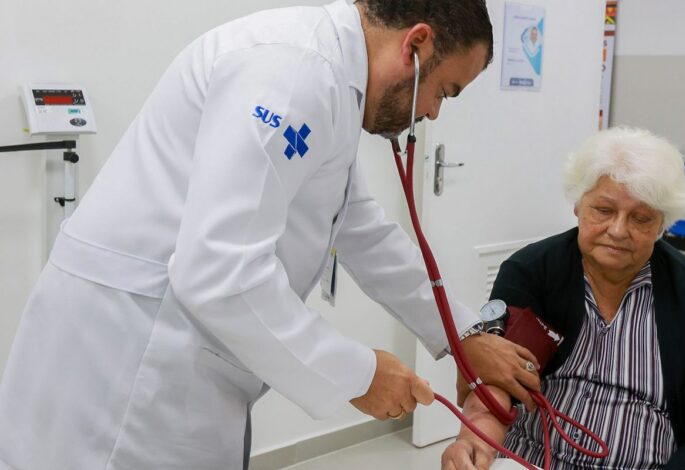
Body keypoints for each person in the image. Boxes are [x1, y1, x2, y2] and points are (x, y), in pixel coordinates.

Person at [0, 1, 543, 469]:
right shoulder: (294, 72)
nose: (431, 114)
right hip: (127, 368)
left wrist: (462, 335)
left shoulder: (329, 82)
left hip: (172, 357)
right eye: (444, 91)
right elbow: (219, 270)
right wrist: (358, 373)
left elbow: (360, 229)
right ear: (416, 44)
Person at [442, 127, 685, 470]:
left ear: (663, 223)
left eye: (641, 218)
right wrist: (474, 441)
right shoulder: (531, 272)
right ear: (577, 205)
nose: (618, 230)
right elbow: (499, 379)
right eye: (603, 210)